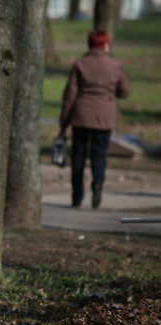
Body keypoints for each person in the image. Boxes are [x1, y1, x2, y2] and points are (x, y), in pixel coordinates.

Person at [60, 29, 131, 209]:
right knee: (99, 154)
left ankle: (77, 196)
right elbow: (125, 91)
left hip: (81, 116)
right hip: (104, 118)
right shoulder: (115, 65)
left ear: (89, 44)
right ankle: (98, 183)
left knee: (78, 157)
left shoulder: (80, 64)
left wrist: (64, 122)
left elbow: (70, 95)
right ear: (106, 44)